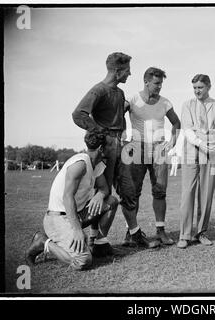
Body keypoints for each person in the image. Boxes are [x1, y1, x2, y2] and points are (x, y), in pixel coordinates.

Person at [72, 52, 159, 249]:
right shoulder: (98, 90)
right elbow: (78, 114)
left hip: (122, 146)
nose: (130, 74)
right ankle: (96, 240)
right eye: (127, 70)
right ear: (117, 71)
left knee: (129, 191)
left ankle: (134, 235)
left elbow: (121, 111)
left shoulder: (119, 93)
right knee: (103, 193)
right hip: (105, 148)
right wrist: (100, 133)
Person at [25, 132, 119, 270]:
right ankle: (43, 242)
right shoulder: (80, 164)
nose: (114, 149)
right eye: (111, 146)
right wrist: (77, 230)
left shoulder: (97, 164)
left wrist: (99, 195)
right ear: (101, 149)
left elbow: (104, 189)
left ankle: (98, 245)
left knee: (111, 202)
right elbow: (67, 197)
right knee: (83, 260)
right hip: (57, 218)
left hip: (77, 214)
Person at [124, 67, 181, 246]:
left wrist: (172, 141)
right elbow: (117, 116)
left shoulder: (165, 102)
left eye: (161, 84)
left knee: (160, 191)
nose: (159, 87)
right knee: (134, 192)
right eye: (156, 83)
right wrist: (124, 136)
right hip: (137, 148)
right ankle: (131, 232)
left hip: (158, 150)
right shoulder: (132, 99)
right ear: (146, 82)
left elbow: (176, 122)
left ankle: (160, 231)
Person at [177, 74, 215, 249]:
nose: (197, 91)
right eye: (195, 88)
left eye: (200, 87)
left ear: (208, 87)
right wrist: (202, 145)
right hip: (192, 150)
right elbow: (188, 130)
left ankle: (201, 232)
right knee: (187, 193)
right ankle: (184, 235)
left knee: (206, 194)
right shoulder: (187, 105)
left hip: (213, 152)